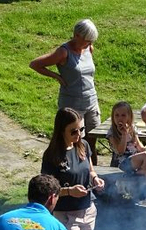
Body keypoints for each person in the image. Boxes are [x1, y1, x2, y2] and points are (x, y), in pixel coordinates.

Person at [29, 19, 101, 165]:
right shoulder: (63, 52)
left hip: (91, 101)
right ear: (76, 35)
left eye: (90, 41)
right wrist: (57, 76)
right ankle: (73, 172)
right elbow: (35, 64)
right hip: (72, 104)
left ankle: (94, 174)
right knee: (75, 141)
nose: (88, 44)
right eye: (86, 40)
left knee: (92, 140)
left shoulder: (89, 48)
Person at [107, 101, 146, 179]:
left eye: (123, 115)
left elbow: (140, 148)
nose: (120, 118)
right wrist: (124, 134)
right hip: (122, 163)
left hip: (134, 159)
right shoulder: (112, 132)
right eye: (117, 115)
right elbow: (120, 151)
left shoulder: (132, 128)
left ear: (129, 116)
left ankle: (144, 176)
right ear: (113, 117)